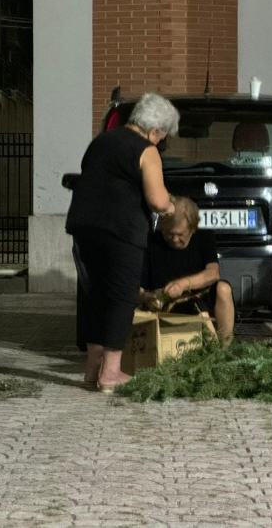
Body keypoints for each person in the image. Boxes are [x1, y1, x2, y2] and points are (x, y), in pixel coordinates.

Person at [66, 93, 179, 393]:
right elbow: (156, 199)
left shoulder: (101, 141)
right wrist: (171, 208)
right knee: (122, 296)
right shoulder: (146, 150)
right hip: (121, 230)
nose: (162, 142)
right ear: (156, 130)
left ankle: (91, 371)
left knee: (94, 295)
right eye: (164, 136)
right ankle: (111, 373)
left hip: (84, 225)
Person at [140, 196, 235, 344]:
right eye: (169, 234)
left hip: (200, 305)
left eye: (180, 235)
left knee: (223, 289)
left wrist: (183, 285)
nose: (175, 239)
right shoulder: (151, 242)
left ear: (192, 229)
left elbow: (213, 273)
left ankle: (224, 349)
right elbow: (138, 287)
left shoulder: (204, 237)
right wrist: (148, 297)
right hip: (163, 309)